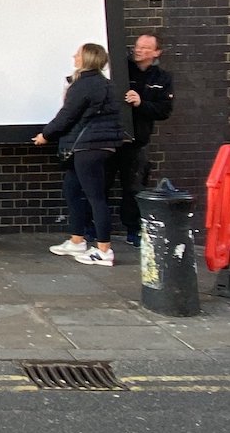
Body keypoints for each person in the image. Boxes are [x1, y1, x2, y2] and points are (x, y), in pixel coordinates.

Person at [33, 43, 127, 267]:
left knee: (95, 197)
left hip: (88, 147)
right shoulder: (105, 84)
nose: (74, 56)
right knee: (72, 189)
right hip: (97, 146)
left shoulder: (84, 85)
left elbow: (67, 115)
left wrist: (46, 135)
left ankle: (104, 250)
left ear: (87, 59)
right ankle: (77, 240)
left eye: (78, 53)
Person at [105, 32, 174, 247]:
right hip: (110, 137)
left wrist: (140, 103)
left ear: (156, 52)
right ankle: (94, 230)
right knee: (101, 184)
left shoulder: (162, 79)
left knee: (134, 188)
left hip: (137, 141)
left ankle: (133, 230)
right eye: (137, 46)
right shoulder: (121, 69)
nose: (139, 50)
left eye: (145, 48)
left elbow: (164, 110)